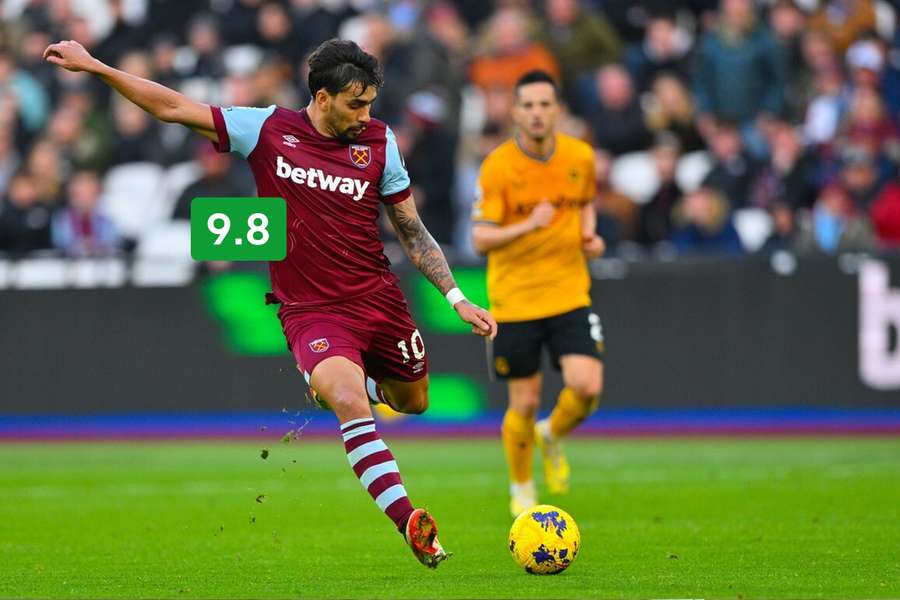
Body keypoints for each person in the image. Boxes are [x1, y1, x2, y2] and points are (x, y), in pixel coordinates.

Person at [43, 37, 497, 569]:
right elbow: (171, 107)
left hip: (378, 300)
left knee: (412, 401)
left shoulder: (380, 142)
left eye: (370, 104)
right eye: (356, 104)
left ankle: (340, 380)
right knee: (353, 402)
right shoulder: (265, 129)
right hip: (311, 310)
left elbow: (412, 231)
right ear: (323, 98)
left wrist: (457, 297)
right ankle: (409, 520)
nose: (365, 115)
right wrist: (96, 66)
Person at [471, 70, 605, 518]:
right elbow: (479, 240)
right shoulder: (498, 167)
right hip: (516, 298)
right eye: (527, 105)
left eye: (545, 104)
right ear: (514, 112)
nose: (536, 113)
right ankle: (522, 485)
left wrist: (590, 235)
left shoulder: (580, 157)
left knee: (586, 387)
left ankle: (552, 434)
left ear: (558, 110)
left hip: (569, 291)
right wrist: (529, 224)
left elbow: (584, 200)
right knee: (523, 401)